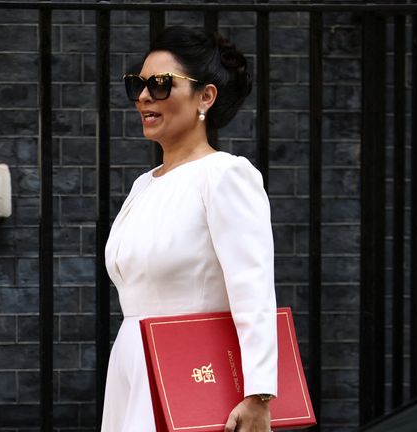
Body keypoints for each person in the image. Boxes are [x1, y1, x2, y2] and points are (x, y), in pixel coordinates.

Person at [102, 26, 278, 432]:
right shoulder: (144, 185)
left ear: (206, 96)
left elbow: (252, 288)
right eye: (138, 84)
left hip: (196, 376)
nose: (144, 96)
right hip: (132, 365)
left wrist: (258, 394)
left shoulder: (225, 176)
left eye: (161, 84)